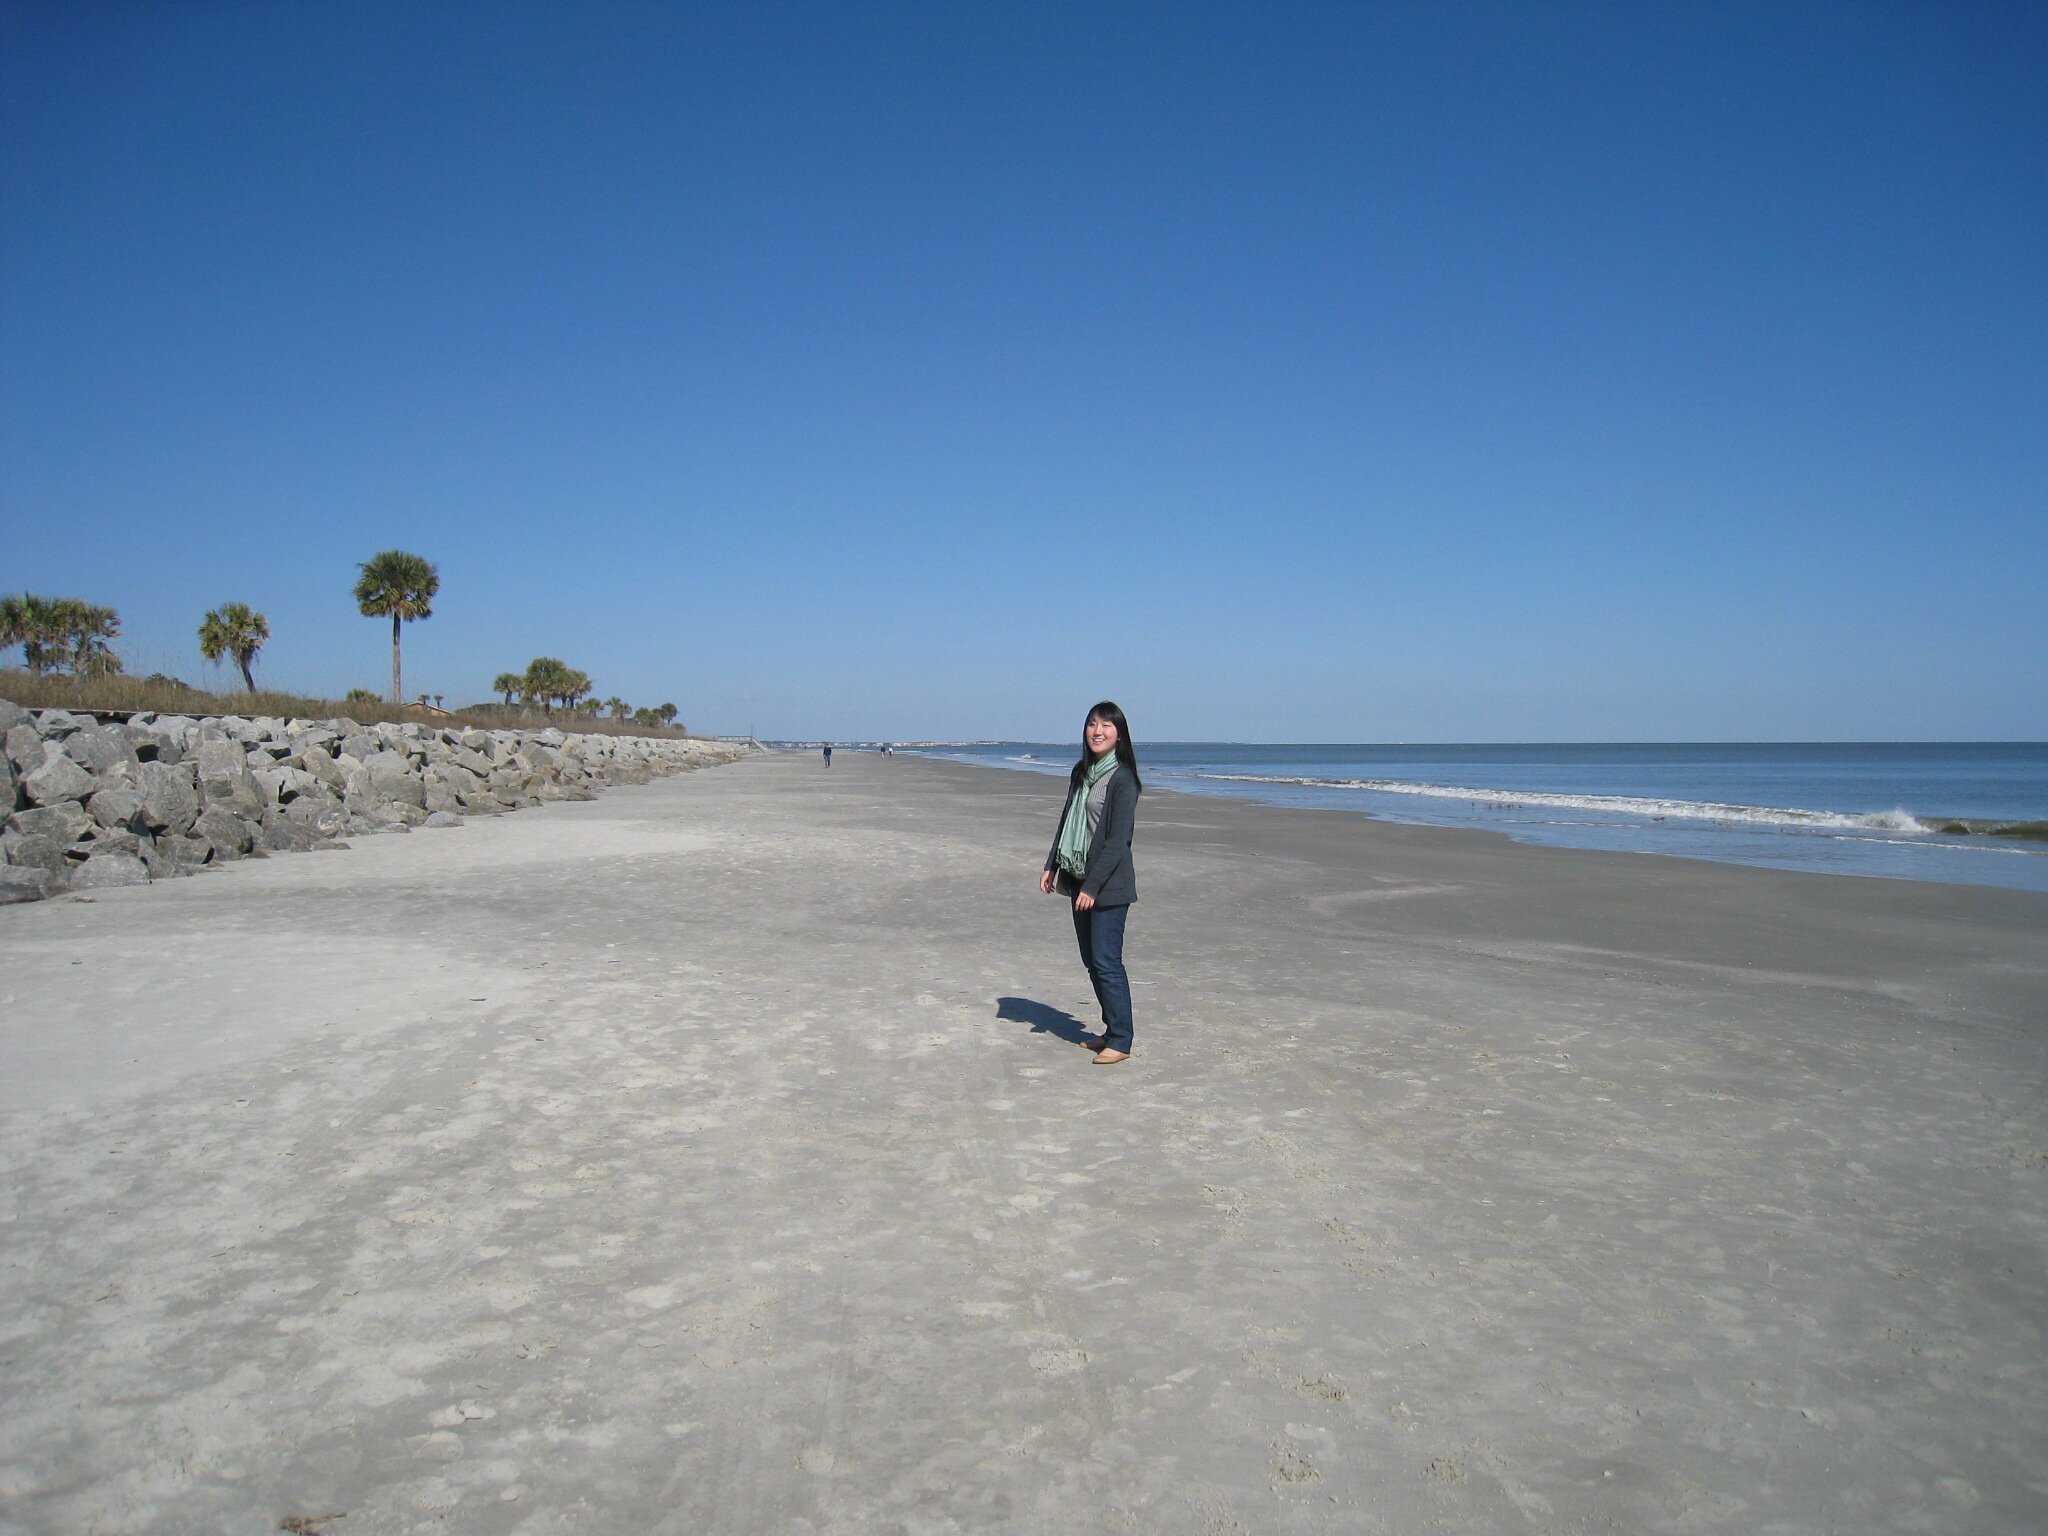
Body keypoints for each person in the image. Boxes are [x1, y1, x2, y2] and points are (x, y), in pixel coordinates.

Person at [1039, 701, 1142, 1064]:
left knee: (1106, 960)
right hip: (1078, 877)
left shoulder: (1123, 779)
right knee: (1091, 960)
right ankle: (1111, 1030)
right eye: (1092, 724)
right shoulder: (1081, 773)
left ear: (1119, 734)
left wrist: (1093, 887)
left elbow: (1118, 841)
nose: (1098, 731)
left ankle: (1122, 1040)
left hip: (1108, 886)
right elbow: (1067, 819)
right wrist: (1052, 865)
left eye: (1106, 726)